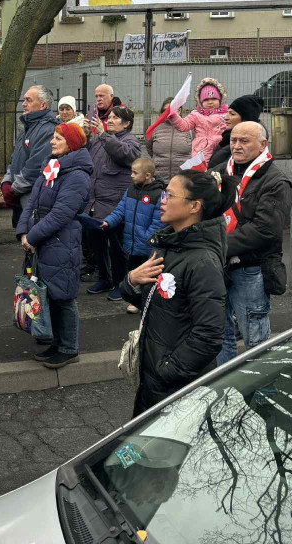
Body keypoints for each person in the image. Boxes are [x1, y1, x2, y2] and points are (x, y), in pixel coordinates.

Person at [119, 170, 230, 416]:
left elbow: (210, 335)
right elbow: (156, 303)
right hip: (155, 378)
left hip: (175, 385)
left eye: (170, 195)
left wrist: (167, 370)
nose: (162, 200)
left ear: (194, 207)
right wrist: (130, 281)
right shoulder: (169, 245)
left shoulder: (202, 261)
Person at [212, 121, 292, 364]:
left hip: (250, 269)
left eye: (244, 141)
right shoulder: (218, 171)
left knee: (255, 339)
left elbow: (264, 230)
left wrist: (217, 246)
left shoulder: (276, 181)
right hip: (217, 265)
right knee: (218, 334)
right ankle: (225, 392)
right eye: (234, 140)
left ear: (263, 145)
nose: (236, 146)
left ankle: (261, 396)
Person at [17, 122, 93, 369]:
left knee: (64, 296)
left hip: (61, 242)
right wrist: (23, 231)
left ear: (71, 143)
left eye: (58, 137)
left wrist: (33, 236)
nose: (52, 141)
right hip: (43, 241)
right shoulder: (53, 167)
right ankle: (56, 343)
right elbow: (32, 203)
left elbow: (61, 214)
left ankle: (69, 348)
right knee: (48, 293)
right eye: (53, 136)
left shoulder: (78, 175)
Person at [86, 103, 141, 296]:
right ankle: (104, 279)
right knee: (97, 244)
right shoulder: (98, 139)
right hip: (95, 202)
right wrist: (85, 135)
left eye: (115, 118)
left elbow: (127, 156)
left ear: (126, 124)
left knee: (117, 247)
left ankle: (120, 284)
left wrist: (103, 136)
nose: (110, 120)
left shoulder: (131, 141)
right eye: (109, 117)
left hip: (114, 203)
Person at [102, 157, 165, 307]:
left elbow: (159, 222)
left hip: (146, 246)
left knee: (148, 275)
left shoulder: (160, 194)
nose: (131, 175)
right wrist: (108, 222)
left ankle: (147, 301)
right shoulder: (130, 191)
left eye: (135, 173)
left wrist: (144, 238)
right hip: (132, 245)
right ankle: (136, 301)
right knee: (134, 271)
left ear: (148, 175)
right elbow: (120, 210)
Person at [1, 85, 58, 228]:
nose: (23, 104)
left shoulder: (49, 130)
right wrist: (6, 182)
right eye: (24, 100)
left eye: (29, 100)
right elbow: (14, 159)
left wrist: (13, 189)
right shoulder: (27, 128)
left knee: (32, 241)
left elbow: (35, 167)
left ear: (43, 105)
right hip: (21, 199)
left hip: (34, 200)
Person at [167, 78, 229, 164]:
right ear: (200, 101)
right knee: (201, 174)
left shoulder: (227, 115)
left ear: (220, 99)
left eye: (214, 99)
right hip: (201, 151)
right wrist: (174, 116)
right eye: (206, 100)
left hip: (221, 149)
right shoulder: (196, 115)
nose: (210, 102)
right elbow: (184, 125)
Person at [208, 94, 264, 168]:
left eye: (232, 114)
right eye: (227, 112)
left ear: (246, 118)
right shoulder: (225, 137)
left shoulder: (253, 145)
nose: (225, 117)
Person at [147, 97, 192, 185]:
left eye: (173, 109)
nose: (169, 113)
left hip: (183, 180)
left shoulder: (189, 128)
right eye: (166, 110)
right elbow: (149, 148)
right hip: (159, 179)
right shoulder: (155, 128)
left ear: (180, 110)